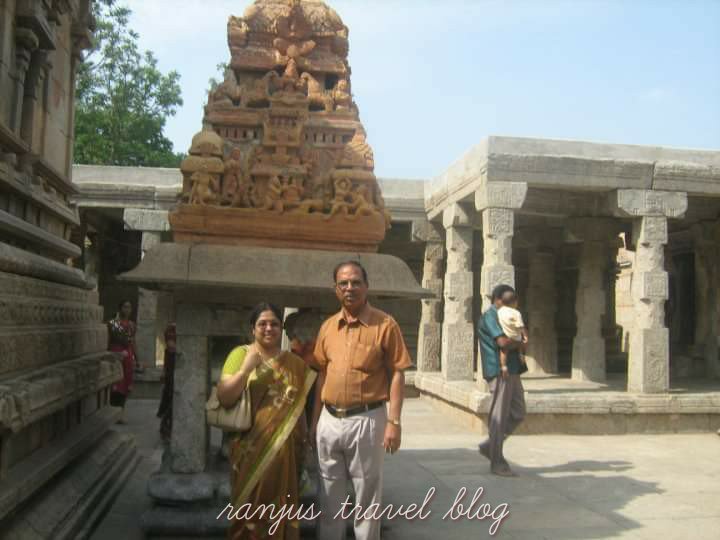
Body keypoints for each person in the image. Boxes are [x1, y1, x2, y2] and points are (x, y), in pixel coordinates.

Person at [312, 261, 412, 540]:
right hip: (329, 420)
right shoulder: (328, 327)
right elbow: (321, 374)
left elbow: (397, 373)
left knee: (367, 497)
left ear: (366, 287)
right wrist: (315, 421)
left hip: (367, 420)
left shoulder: (385, 324)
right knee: (328, 496)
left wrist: (394, 422)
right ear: (335, 289)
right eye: (343, 283)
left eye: (356, 282)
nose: (350, 288)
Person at [217, 303, 316, 539]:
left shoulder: (295, 364)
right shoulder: (240, 355)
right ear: (253, 329)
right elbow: (224, 397)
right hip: (247, 452)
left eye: (274, 324)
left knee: (282, 511)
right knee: (247, 513)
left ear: (281, 328)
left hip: (286, 453)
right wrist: (245, 370)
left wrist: (304, 441)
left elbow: (299, 409)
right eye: (262, 324)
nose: (268, 328)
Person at [477, 284, 527, 477]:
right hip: (499, 371)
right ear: (497, 300)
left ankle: (491, 446)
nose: (510, 304)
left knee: (518, 412)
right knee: (499, 416)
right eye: (507, 300)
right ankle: (497, 461)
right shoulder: (490, 316)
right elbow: (502, 342)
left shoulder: (506, 315)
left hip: (513, 370)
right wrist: (520, 341)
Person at [108, 300, 137, 424]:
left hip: (128, 356)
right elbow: (113, 339)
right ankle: (114, 413)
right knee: (117, 384)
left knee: (126, 385)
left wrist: (138, 359)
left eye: (129, 307)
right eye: (125, 307)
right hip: (117, 353)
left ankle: (121, 413)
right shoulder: (114, 323)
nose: (127, 309)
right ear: (120, 308)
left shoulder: (132, 325)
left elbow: (133, 342)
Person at [496, 290, 528, 370]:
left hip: (505, 336)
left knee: (504, 351)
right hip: (515, 337)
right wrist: (525, 336)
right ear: (514, 302)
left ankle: (503, 366)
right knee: (522, 344)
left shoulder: (499, 311)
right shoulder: (516, 313)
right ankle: (521, 356)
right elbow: (520, 326)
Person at [156, 323, 176, 442]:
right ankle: (165, 427)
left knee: (173, 401)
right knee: (171, 400)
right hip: (171, 373)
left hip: (177, 371)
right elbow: (171, 348)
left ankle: (168, 427)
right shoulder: (171, 330)